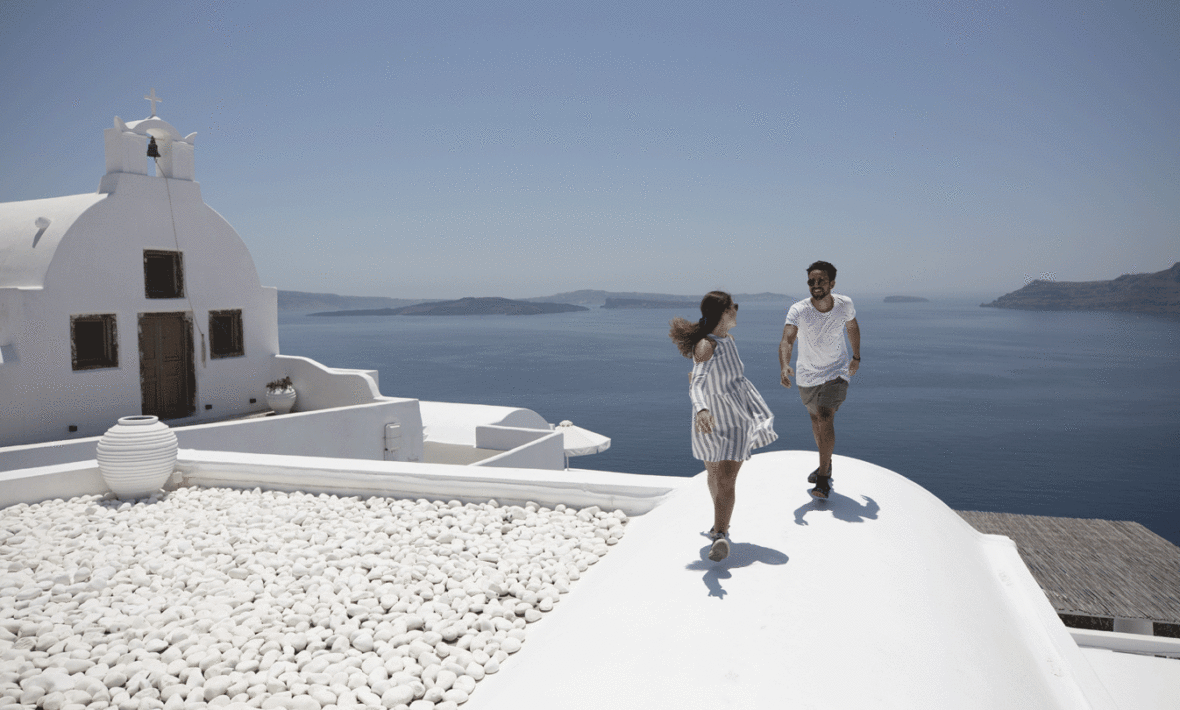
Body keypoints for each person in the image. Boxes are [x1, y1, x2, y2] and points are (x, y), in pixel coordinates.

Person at [670, 291, 778, 561]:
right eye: (734, 306)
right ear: (723, 312)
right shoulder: (707, 346)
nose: (737, 310)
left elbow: (726, 378)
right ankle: (720, 523)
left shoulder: (729, 341)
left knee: (726, 478)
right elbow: (697, 383)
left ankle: (720, 534)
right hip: (709, 420)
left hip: (736, 419)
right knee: (714, 474)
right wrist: (703, 409)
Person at [779, 261, 860, 500]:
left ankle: (823, 478)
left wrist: (856, 357)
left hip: (836, 372)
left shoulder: (844, 304)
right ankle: (826, 463)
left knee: (825, 416)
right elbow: (787, 339)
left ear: (832, 283)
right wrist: (784, 364)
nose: (815, 285)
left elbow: (852, 327)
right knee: (816, 422)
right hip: (807, 375)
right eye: (811, 281)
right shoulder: (798, 310)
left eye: (821, 281)